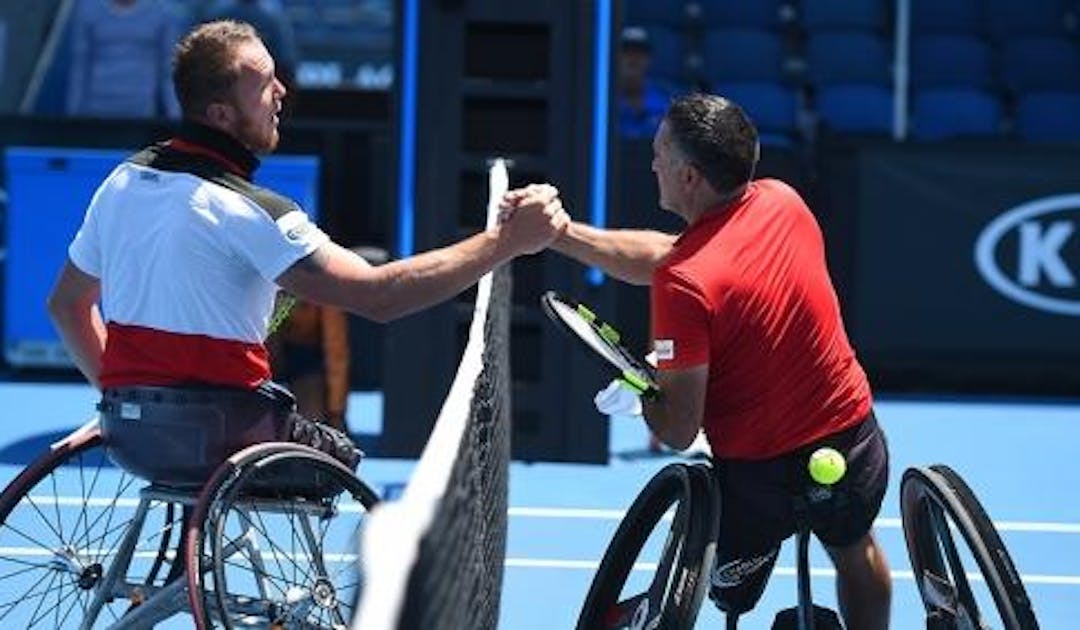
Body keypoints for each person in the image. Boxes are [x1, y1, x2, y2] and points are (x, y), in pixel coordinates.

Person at [47, 20, 567, 485]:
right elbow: (379, 298)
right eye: (264, 85)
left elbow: (67, 306)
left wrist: (129, 399)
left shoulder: (122, 182)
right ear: (222, 113)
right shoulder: (255, 212)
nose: (281, 91)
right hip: (229, 435)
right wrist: (506, 243)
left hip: (134, 438)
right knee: (340, 455)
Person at [503, 93, 891, 628]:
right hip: (856, 444)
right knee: (854, 546)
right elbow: (675, 255)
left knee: (728, 593)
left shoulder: (683, 283)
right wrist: (562, 235)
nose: (652, 161)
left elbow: (680, 430)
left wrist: (642, 391)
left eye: (661, 151)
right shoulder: (783, 202)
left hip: (760, 485)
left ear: (688, 177)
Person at [66, 0, 184, 119]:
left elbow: (168, 70)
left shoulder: (164, 12)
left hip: (140, 111)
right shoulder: (88, 9)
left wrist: (175, 116)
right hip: (96, 109)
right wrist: (73, 115)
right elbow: (80, 67)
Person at [616, 26, 672, 140]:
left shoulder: (664, 104)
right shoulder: (602, 106)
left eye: (639, 52)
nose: (633, 58)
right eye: (626, 51)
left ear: (649, 59)